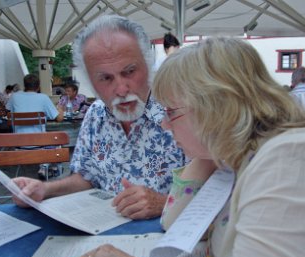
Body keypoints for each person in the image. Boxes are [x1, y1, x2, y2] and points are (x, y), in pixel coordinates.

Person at [72, 37, 305, 257]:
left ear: (215, 107)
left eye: (171, 112)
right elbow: (174, 224)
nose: (165, 124)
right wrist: (207, 148)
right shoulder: (236, 155)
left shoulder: (294, 159)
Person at [12, 15, 185, 220]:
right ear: (91, 82)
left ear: (148, 64)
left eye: (129, 71)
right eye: (105, 78)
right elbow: (86, 178)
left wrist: (164, 203)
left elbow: (219, 191)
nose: (121, 89)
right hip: (102, 230)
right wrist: (44, 189)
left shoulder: (179, 109)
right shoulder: (95, 114)